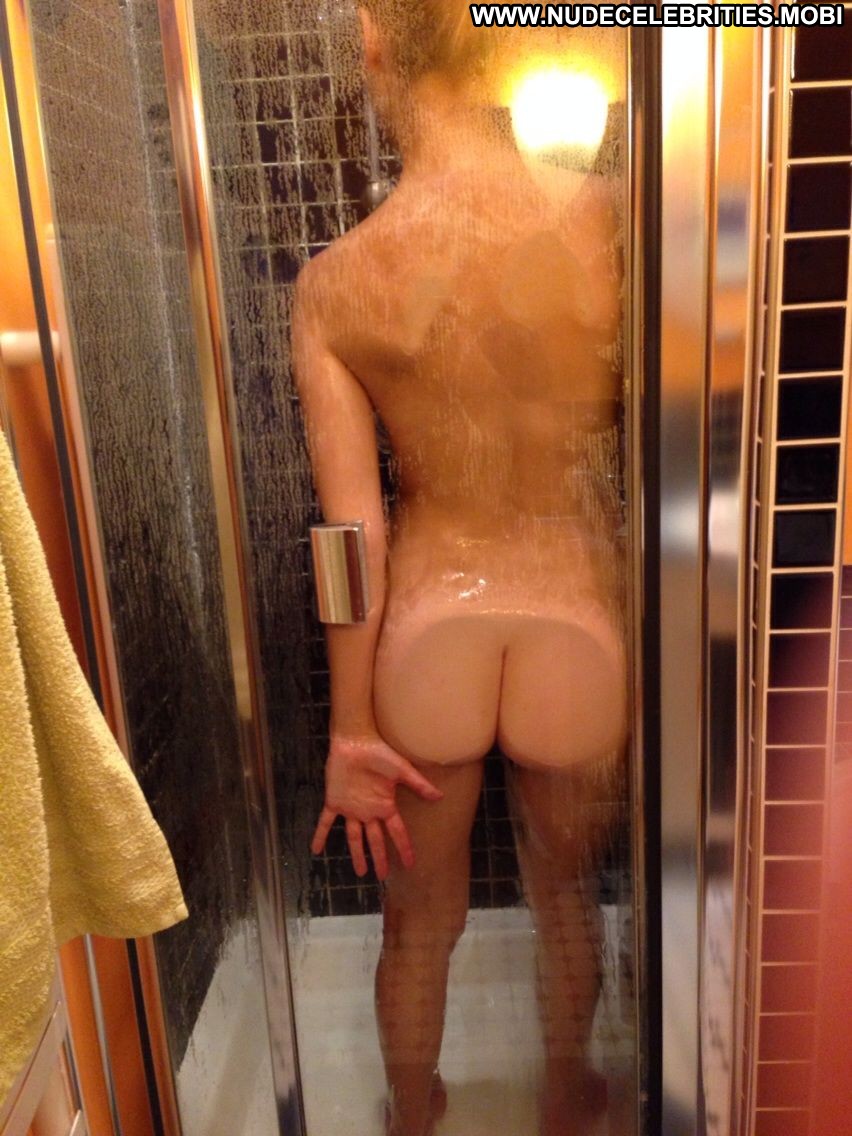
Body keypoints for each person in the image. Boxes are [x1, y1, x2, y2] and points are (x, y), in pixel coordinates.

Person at [292, 4, 627, 1133]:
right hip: (578, 615)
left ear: (377, 43)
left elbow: (350, 535)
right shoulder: (612, 224)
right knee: (566, 899)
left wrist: (351, 730)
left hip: (428, 627)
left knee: (419, 922)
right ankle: (568, 1092)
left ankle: (410, 1112)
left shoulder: (342, 281)